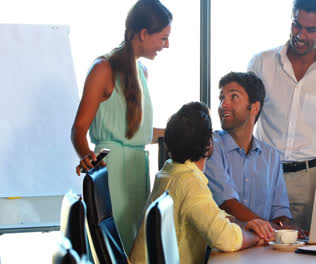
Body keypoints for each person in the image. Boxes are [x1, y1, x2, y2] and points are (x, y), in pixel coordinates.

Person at [70, 0, 172, 253]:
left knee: (134, 247)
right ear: (143, 34)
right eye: (163, 38)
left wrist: (187, 134)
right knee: (110, 248)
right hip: (110, 170)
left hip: (136, 171)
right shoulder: (103, 68)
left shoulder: (142, 72)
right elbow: (78, 130)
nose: (166, 45)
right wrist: (89, 160)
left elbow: (139, 134)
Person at [247, 0, 316, 230]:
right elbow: (246, 122)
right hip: (264, 175)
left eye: (311, 30)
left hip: (309, 179)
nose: (300, 35)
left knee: (310, 251)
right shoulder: (261, 63)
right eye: (296, 25)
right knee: (260, 247)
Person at [130, 102, 275, 264]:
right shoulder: (190, 183)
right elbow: (225, 239)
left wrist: (244, 224)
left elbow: (210, 215)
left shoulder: (171, 171)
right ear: (209, 144)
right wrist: (256, 237)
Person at [204, 72, 292, 229]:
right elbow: (227, 204)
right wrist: (273, 230)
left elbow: (280, 210)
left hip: (264, 247)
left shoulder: (271, 156)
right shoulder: (210, 147)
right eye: (221, 98)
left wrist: (282, 228)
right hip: (224, 247)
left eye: (234, 97)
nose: (223, 105)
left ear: (255, 107)